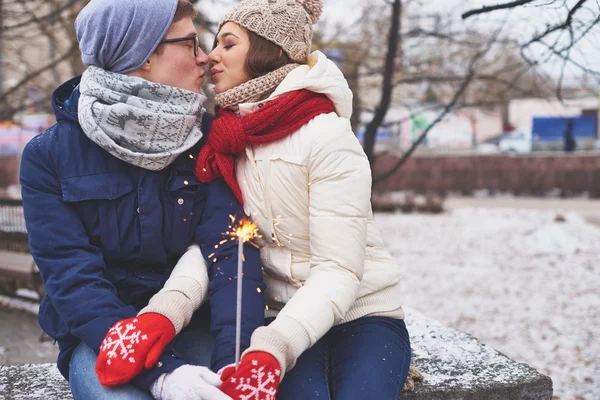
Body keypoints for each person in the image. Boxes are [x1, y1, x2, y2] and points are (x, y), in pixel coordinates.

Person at [136, 0, 412, 399]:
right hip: (277, 318)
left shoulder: (326, 137)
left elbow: (338, 269)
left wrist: (273, 348)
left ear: (268, 51)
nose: (212, 55)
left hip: (362, 315)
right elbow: (220, 241)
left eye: (228, 44)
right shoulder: (225, 141)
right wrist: (162, 314)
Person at [19, 1, 265, 399]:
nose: (205, 58)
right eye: (190, 43)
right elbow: (74, 281)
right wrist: (164, 377)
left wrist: (236, 363)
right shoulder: (49, 157)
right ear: (145, 55)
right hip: (105, 339)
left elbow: (233, 250)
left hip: (195, 326)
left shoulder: (208, 139)